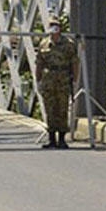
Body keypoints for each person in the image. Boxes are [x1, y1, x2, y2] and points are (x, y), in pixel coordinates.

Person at [36, 14, 79, 149]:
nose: (54, 28)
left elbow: (75, 64)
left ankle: (62, 139)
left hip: (63, 79)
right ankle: (51, 139)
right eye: (51, 26)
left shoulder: (69, 44)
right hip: (48, 79)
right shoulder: (43, 44)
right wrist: (38, 80)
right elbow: (39, 64)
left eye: (56, 25)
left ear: (60, 28)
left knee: (62, 108)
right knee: (50, 109)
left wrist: (75, 81)